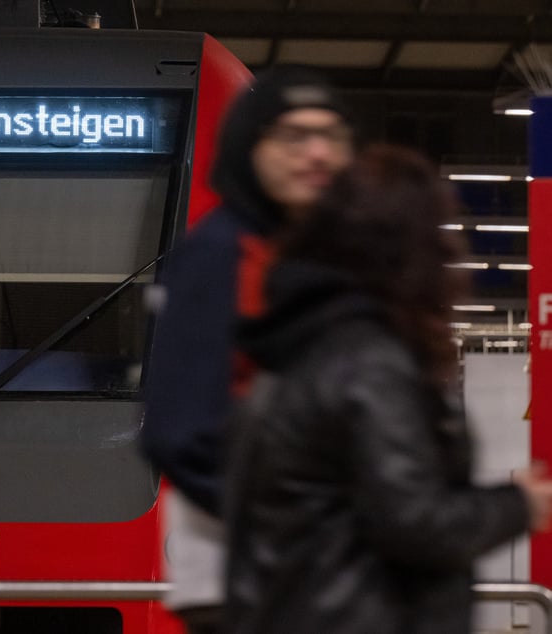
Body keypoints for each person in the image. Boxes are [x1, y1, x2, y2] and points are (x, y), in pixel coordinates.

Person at [224, 144, 552, 634]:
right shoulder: (371, 363)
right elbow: (414, 520)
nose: (451, 254)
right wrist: (520, 504)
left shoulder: (301, 342)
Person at [141, 65, 355, 634]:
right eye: (292, 137)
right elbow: (177, 430)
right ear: (249, 147)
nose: (315, 153)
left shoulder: (308, 255)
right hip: (247, 577)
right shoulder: (219, 254)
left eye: (330, 136)